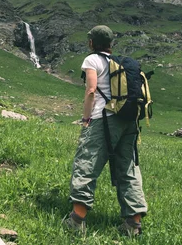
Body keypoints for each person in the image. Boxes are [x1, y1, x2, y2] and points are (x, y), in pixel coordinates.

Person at [64, 25, 148, 236]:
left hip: (104, 118)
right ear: (111, 44)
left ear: (91, 42)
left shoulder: (92, 60)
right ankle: (133, 224)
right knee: (128, 167)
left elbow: (91, 90)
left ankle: (76, 220)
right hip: (129, 120)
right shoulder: (121, 62)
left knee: (87, 162)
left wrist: (85, 118)